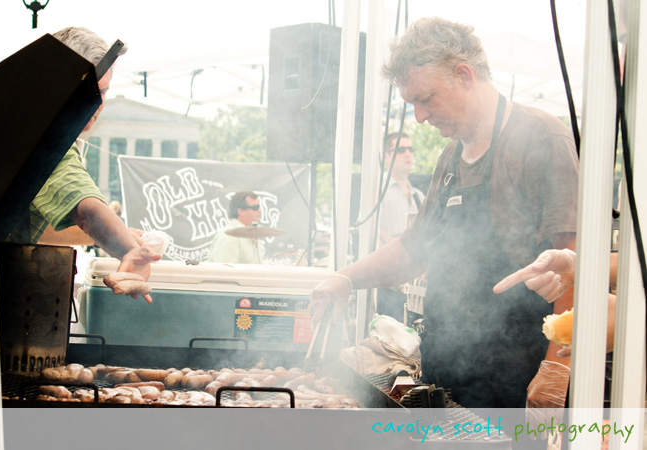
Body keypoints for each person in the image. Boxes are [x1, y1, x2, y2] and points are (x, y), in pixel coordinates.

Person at [309, 16, 579, 424]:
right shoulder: (450, 157)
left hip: (517, 379)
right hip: (450, 373)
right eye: (412, 104)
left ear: (464, 75)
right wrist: (344, 278)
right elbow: (414, 251)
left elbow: (574, 259)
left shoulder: (540, 137)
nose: (418, 117)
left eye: (426, 98)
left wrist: (557, 366)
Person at [8, 27, 160, 302]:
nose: (98, 104)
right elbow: (86, 209)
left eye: (104, 92)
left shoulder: (12, 119)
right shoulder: (43, 136)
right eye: (91, 91)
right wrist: (128, 250)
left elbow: (40, 228)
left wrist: (113, 234)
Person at [376, 132, 424, 321]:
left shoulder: (420, 196)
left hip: (413, 289)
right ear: (387, 156)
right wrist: (396, 243)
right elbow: (368, 231)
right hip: (387, 286)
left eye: (410, 149)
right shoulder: (377, 191)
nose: (408, 154)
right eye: (401, 149)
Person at [208, 191, 264, 264]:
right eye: (255, 207)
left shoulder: (254, 236)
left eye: (259, 207)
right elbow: (224, 272)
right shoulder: (229, 236)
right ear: (241, 211)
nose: (260, 211)